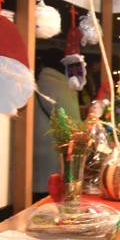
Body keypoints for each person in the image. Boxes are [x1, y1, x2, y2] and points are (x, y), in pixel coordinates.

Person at [33, 48, 81, 198]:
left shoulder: (41, 82)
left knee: (40, 190)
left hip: (38, 146)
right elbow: (72, 122)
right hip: (52, 149)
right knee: (49, 193)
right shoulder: (60, 85)